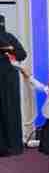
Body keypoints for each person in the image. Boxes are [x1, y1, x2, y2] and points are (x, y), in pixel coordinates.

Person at [0, 14, 27, 156]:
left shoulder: (9, 37)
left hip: (9, 81)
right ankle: (10, 147)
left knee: (11, 111)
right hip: (9, 81)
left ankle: (12, 146)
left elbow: (22, 54)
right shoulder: (10, 37)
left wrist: (9, 49)